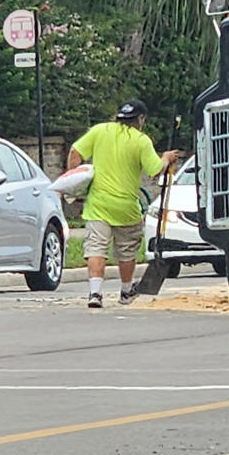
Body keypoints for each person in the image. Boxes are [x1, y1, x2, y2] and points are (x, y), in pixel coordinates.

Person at [68, 99, 178, 308]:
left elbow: (75, 152)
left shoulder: (99, 131)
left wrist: (75, 181)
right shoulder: (141, 140)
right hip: (126, 206)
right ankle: (126, 291)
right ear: (140, 119)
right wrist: (165, 158)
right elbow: (155, 170)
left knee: (96, 248)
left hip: (98, 204)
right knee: (126, 250)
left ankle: (94, 293)